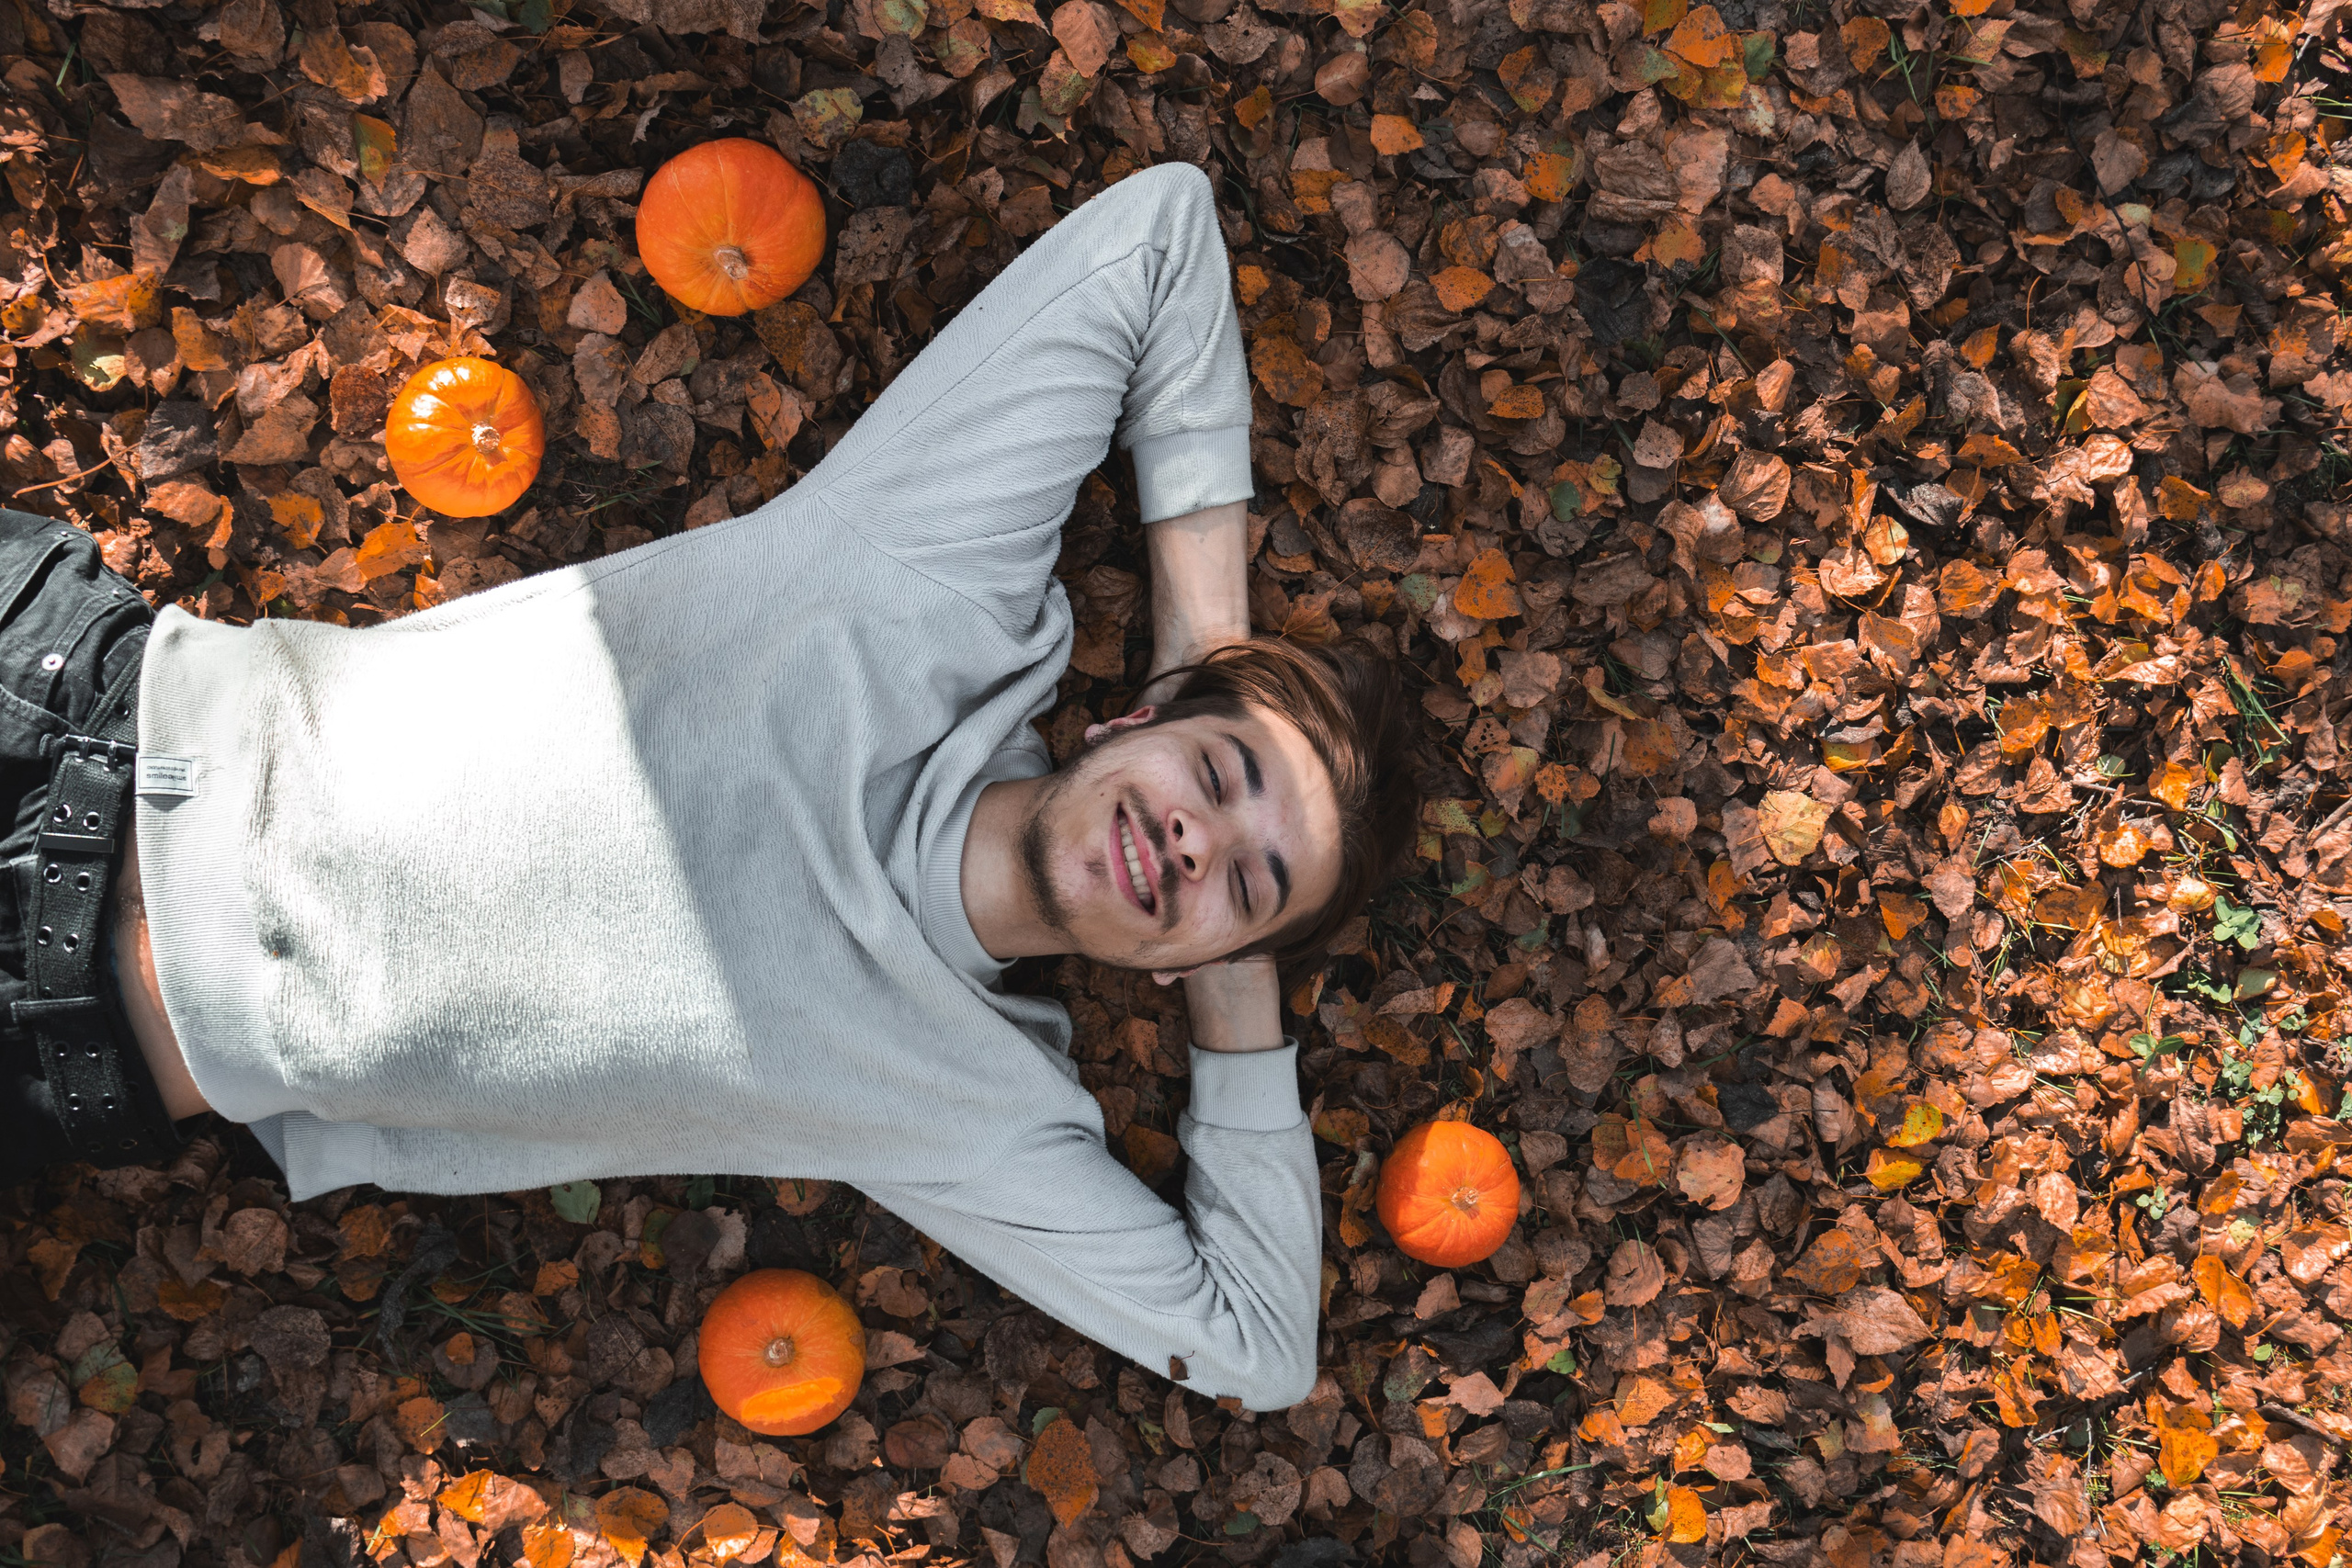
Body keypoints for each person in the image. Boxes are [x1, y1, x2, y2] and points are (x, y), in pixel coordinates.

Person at [1, 163, 1420, 1412]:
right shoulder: (941, 589)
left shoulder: (972, 1106)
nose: (1192, 837)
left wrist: (1233, 977)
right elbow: (1162, 237)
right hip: (71, 698)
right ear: (1140, 714)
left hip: (70, 1030)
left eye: (1246, 876)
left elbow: (1253, 1347)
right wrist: (1206, 662)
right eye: (1221, 780)